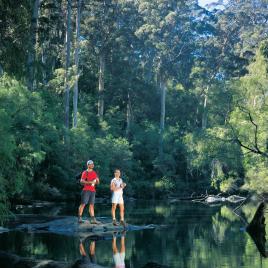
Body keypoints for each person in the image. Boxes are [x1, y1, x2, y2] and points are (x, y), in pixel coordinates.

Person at [78, 160, 100, 224]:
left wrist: (98, 181)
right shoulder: (85, 172)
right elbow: (81, 181)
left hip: (93, 191)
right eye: (91, 164)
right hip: (86, 190)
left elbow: (97, 183)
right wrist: (90, 182)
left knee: (92, 205)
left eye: (93, 164)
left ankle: (93, 219)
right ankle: (79, 218)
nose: (92, 165)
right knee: (83, 204)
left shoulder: (94, 173)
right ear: (88, 165)